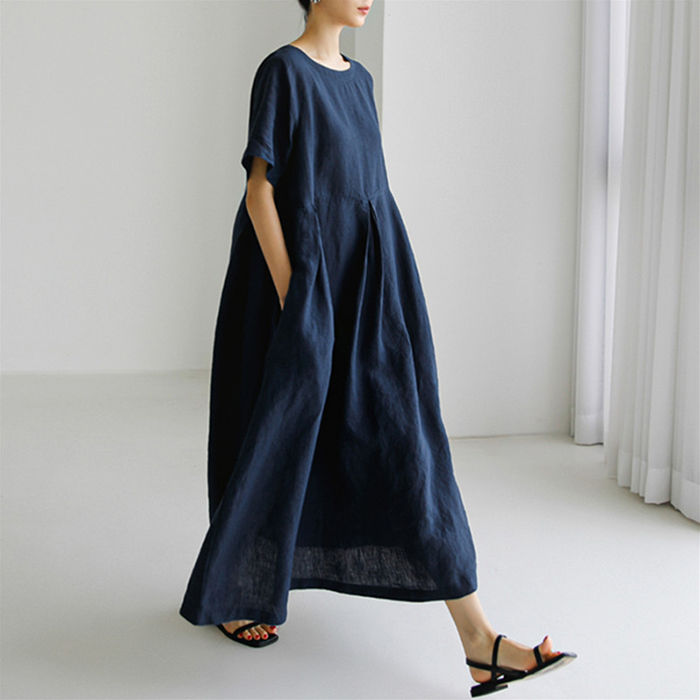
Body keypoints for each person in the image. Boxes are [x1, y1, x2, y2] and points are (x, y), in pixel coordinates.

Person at [179, 0, 576, 695]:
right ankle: (238, 591)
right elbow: (260, 191)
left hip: (368, 284)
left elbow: (366, 194)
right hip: (303, 285)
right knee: (274, 438)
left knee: (408, 442)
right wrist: (296, 299)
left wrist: (385, 291)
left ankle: (479, 640)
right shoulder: (283, 72)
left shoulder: (359, 81)